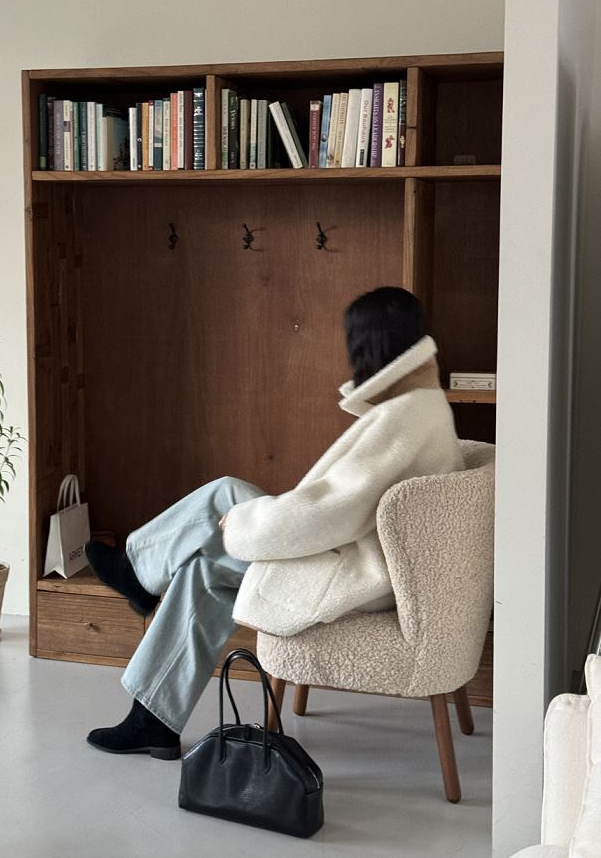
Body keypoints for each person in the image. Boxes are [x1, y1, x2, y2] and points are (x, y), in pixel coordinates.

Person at [85, 286, 464, 760]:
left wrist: (241, 526)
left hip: (362, 575)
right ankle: (148, 685)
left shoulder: (403, 418)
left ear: (372, 344)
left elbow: (332, 511)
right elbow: (339, 505)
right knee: (220, 511)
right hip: (372, 560)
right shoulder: (422, 405)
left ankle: (139, 594)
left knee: (212, 538)